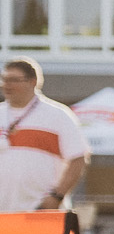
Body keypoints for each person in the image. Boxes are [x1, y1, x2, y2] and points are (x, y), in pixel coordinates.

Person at [0, 58, 89, 213]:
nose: (7, 85)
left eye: (14, 80)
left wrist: (56, 197)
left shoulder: (57, 115)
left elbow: (78, 159)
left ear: (32, 82)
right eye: (4, 79)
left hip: (40, 211)